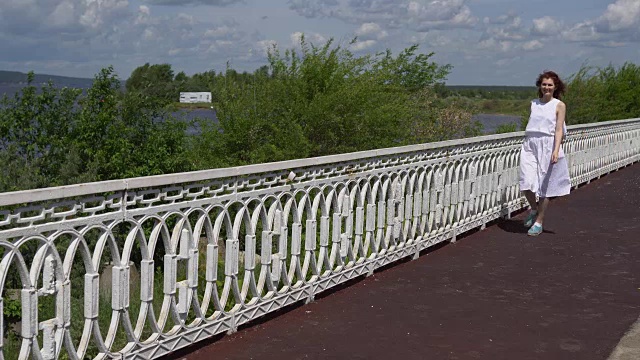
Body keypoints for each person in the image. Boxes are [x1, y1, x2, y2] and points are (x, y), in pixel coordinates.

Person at [519, 70, 571, 236]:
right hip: (530, 144)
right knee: (526, 181)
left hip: (548, 145)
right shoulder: (534, 103)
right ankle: (534, 209)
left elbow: (558, 130)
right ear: (540, 86)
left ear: (555, 87)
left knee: (544, 186)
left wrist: (556, 150)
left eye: (550, 85)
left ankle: (539, 221)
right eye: (544, 84)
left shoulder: (559, 105)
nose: (546, 87)